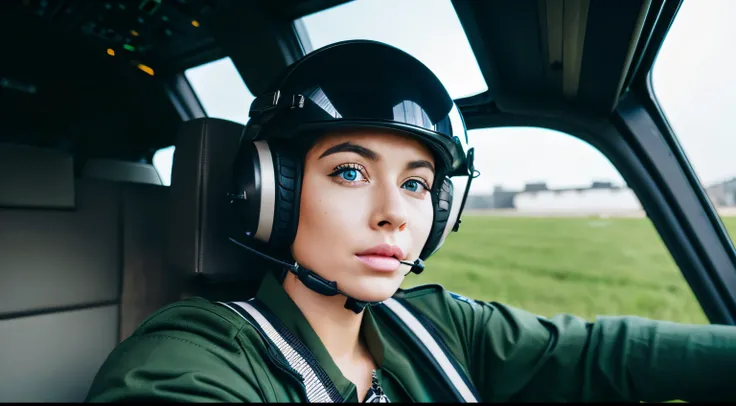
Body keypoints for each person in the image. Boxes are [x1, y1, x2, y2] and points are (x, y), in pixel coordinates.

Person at [85, 40, 736, 403]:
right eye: (349, 172)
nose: (395, 213)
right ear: (270, 195)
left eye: (418, 184)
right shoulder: (188, 356)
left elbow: (604, 354)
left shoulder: (439, 327)